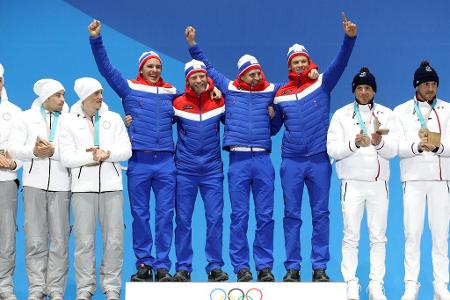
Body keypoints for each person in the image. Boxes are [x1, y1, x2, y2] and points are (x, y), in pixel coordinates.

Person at [186, 25, 317, 282]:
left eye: (258, 72)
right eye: (251, 74)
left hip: (263, 160)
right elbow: (207, 69)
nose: (256, 76)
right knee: (239, 216)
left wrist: (311, 74)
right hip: (238, 161)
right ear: (242, 75)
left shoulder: (272, 90)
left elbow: (295, 85)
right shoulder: (229, 88)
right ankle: (242, 267)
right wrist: (193, 44)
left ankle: (265, 267)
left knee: (265, 216)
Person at [88, 19, 178, 282]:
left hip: (165, 162)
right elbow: (106, 69)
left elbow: (194, 99)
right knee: (140, 215)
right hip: (138, 160)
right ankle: (144, 265)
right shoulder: (128, 87)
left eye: (158, 66)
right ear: (142, 68)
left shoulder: (172, 91)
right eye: (150, 66)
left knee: (165, 215)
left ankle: (162, 266)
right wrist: (96, 39)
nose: (154, 69)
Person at [271, 13, 357, 282]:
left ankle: (319, 267)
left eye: (302, 61)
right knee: (291, 216)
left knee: (321, 214)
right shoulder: (281, 93)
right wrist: (271, 116)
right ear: (289, 66)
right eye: (294, 62)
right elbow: (274, 131)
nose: (298, 65)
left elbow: (340, 63)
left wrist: (349, 38)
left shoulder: (322, 82)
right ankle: (292, 268)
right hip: (292, 162)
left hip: (319, 160)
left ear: (309, 62)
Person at [59, 77, 132, 300]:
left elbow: (126, 150)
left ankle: (111, 288)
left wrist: (107, 154)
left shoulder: (113, 119)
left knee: (115, 240)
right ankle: (85, 289)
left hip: (112, 187)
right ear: (84, 97)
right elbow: (67, 158)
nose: (101, 97)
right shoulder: (69, 122)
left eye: (101, 93)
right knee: (84, 241)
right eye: (96, 93)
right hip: (83, 189)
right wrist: (91, 156)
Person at [327, 67, 397, 300]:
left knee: (378, 236)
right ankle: (350, 283)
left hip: (379, 185)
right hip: (352, 184)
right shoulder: (341, 115)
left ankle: (376, 284)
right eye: (360, 88)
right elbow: (332, 150)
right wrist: (354, 143)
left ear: (374, 90)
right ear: (354, 90)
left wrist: (378, 143)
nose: (364, 92)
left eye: (368, 88)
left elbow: (393, 150)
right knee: (351, 236)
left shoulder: (387, 114)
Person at [8, 79, 70, 300]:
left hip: (62, 185)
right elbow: (13, 148)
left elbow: (75, 152)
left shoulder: (70, 121)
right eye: (58, 95)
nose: (63, 99)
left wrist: (54, 151)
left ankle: (55, 290)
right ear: (45, 98)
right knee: (35, 239)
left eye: (63, 95)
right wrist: (34, 152)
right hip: (34, 184)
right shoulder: (25, 118)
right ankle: (36, 288)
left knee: (60, 240)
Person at [394, 61, 450, 300]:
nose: (430, 88)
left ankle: (441, 286)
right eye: (426, 84)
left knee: (440, 235)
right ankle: (411, 286)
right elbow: (395, 146)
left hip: (441, 180)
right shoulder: (401, 111)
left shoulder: (448, 109)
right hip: (413, 180)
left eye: (434, 83)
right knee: (412, 234)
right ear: (417, 85)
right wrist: (416, 146)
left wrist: (440, 147)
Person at [171, 60, 228, 282]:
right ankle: (183, 267)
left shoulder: (219, 100)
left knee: (215, 219)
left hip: (212, 171)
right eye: (194, 77)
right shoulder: (177, 102)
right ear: (188, 80)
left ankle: (214, 267)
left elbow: (240, 116)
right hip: (184, 170)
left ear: (206, 77)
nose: (199, 80)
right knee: (183, 221)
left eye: (201, 76)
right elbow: (155, 116)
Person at [0, 64, 22, 300]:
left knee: (6, 235)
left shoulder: (15, 112)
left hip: (5, 180)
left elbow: (21, 149)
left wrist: (14, 164)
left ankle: (4, 286)